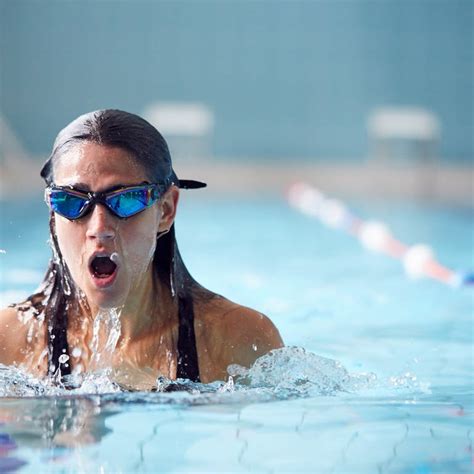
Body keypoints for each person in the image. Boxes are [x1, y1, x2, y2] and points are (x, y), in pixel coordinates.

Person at [0, 109, 283, 389]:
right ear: (53, 212)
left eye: (125, 200)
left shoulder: (238, 340)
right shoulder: (9, 341)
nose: (99, 227)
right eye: (71, 202)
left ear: (166, 210)